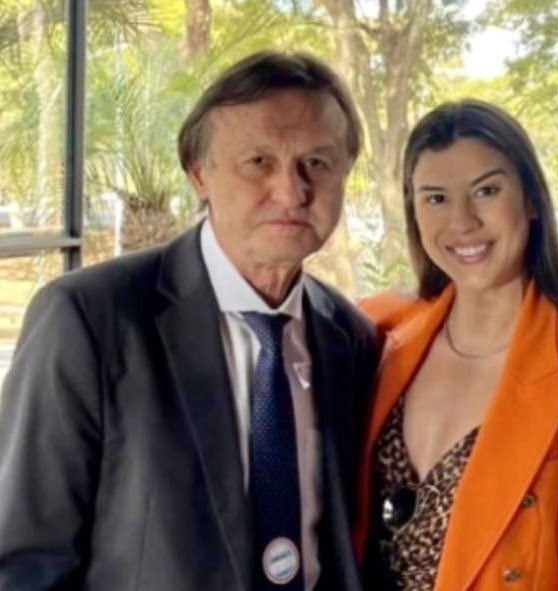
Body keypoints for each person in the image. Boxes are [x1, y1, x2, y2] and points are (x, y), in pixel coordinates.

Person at [0, 51, 379, 591]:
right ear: (198, 173)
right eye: (259, 162)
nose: (292, 191)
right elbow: (25, 561)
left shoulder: (352, 339)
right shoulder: (90, 319)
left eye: (316, 163)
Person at [352, 99, 558, 590]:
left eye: (487, 191)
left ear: (532, 200)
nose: (462, 221)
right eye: (436, 198)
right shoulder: (376, 331)